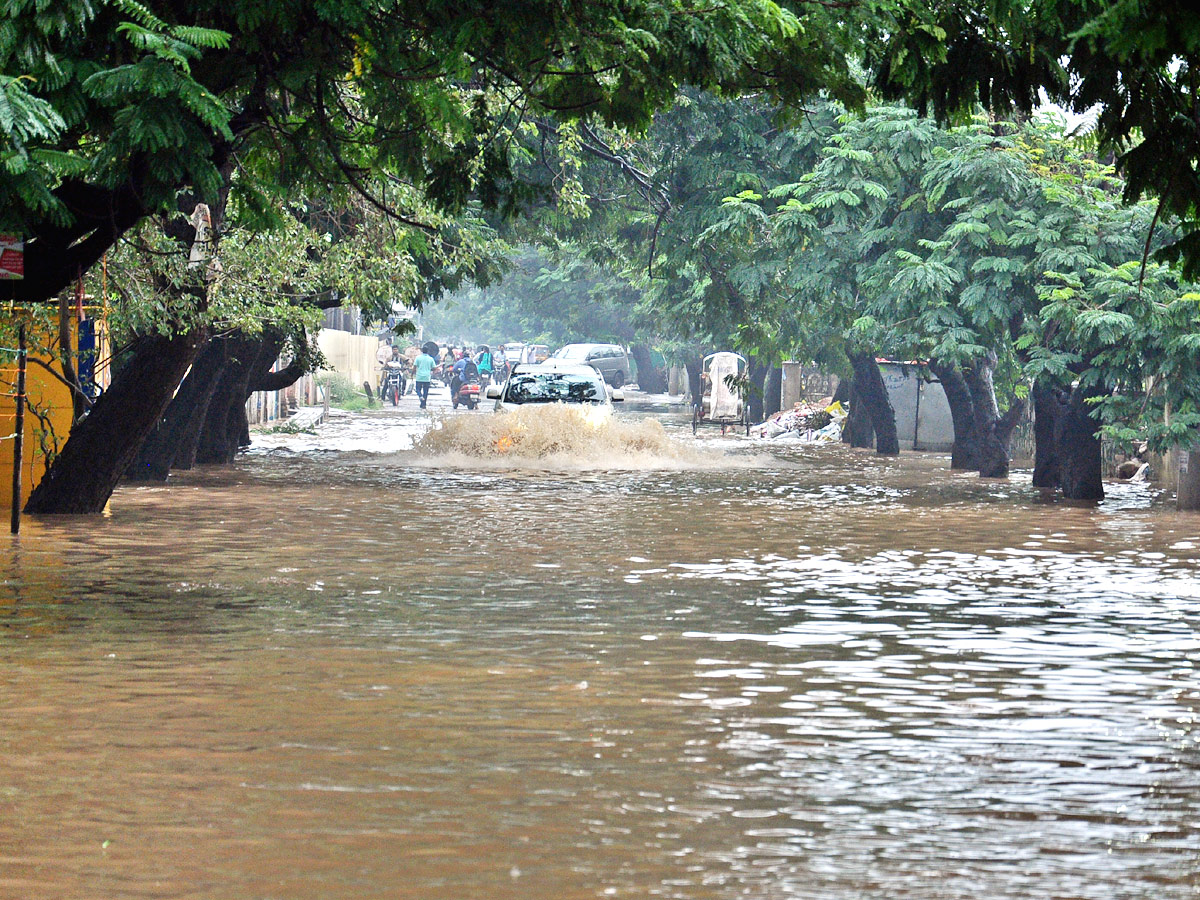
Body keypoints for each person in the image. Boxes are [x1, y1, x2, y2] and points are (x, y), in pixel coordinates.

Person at [413, 344, 436, 409]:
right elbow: (434, 368)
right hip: (427, 377)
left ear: (422, 351)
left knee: (418, 389)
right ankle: (423, 405)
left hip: (419, 377)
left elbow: (414, 367)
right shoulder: (431, 359)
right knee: (425, 391)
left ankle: (420, 396)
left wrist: (412, 374)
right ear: (428, 351)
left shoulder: (418, 358)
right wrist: (430, 369)